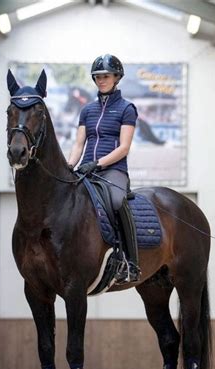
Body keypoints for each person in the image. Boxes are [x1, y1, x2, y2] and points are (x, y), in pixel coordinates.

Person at [67, 54, 140, 282]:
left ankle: (130, 262)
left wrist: (98, 163)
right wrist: (70, 165)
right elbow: (79, 144)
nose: (101, 80)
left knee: (117, 201)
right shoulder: (87, 110)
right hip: (87, 170)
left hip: (114, 171)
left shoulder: (127, 108)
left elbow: (124, 147)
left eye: (106, 76)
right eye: (97, 77)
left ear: (117, 78)